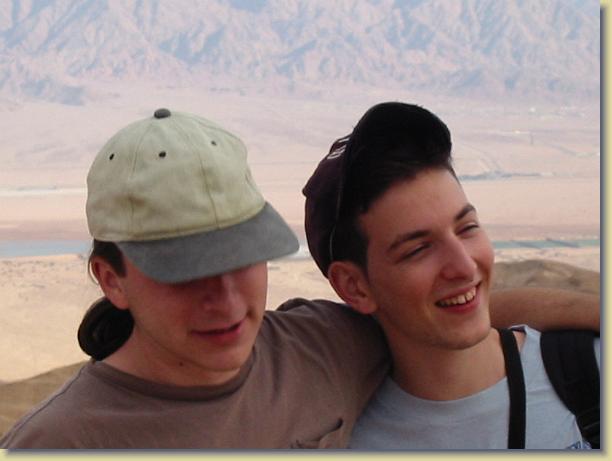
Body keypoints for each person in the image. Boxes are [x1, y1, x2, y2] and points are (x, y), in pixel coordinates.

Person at [1, 108, 599, 449]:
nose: (226, 300)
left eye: (242, 257)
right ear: (111, 279)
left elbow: (445, 311)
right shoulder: (60, 443)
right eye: (185, 272)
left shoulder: (319, 348)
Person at [302, 101, 600, 449]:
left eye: (467, 227)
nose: (464, 266)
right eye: (418, 249)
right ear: (355, 287)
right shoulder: (339, 440)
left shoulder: (589, 374)